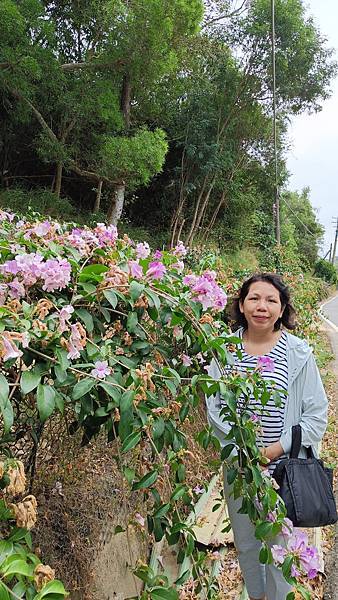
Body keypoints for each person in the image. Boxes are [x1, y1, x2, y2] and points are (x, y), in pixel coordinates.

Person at [206, 272, 328, 600]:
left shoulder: (298, 353)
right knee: (247, 545)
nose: (263, 306)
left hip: (284, 471)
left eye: (271, 300)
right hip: (240, 470)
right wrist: (243, 454)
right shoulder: (224, 351)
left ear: (282, 308)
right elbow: (214, 409)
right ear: (242, 306)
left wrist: (274, 450)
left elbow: (316, 414)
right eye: (254, 298)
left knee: (281, 548)